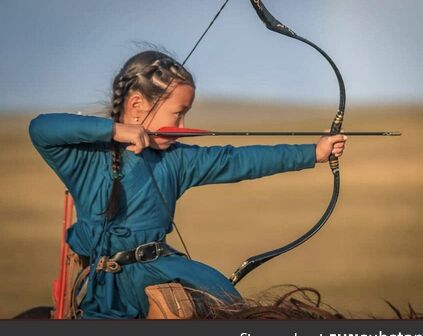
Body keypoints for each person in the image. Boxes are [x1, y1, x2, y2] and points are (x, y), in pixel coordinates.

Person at [28, 50, 347, 319]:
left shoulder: (178, 159)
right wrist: (116, 131)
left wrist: (313, 153)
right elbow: (41, 128)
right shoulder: (85, 159)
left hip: (161, 270)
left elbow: (237, 161)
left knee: (229, 305)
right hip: (108, 291)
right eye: (177, 115)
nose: (181, 128)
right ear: (138, 106)